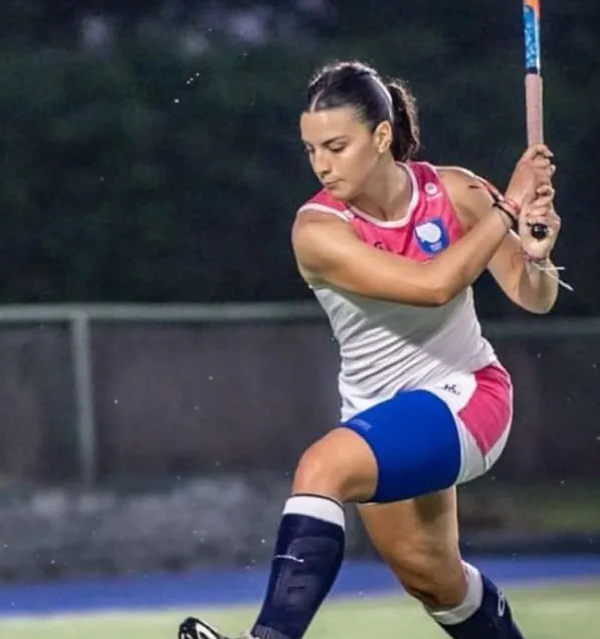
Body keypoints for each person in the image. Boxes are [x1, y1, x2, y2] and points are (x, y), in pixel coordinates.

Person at [179, 60, 561, 639]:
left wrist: (535, 253)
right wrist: (507, 206)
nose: (322, 165)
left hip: (468, 395)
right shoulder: (318, 231)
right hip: (378, 413)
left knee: (322, 468)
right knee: (435, 580)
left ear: (381, 136)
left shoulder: (455, 191)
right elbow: (432, 286)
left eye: (336, 146)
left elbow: (536, 298)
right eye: (311, 151)